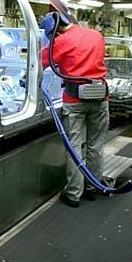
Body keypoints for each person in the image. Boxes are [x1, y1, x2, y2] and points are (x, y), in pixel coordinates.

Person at [40, 11, 109, 208]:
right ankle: (93, 187)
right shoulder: (96, 35)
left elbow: (39, 62)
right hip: (100, 96)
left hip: (74, 99)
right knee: (96, 145)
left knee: (75, 147)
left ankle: (73, 194)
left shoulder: (61, 41)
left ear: (55, 30)